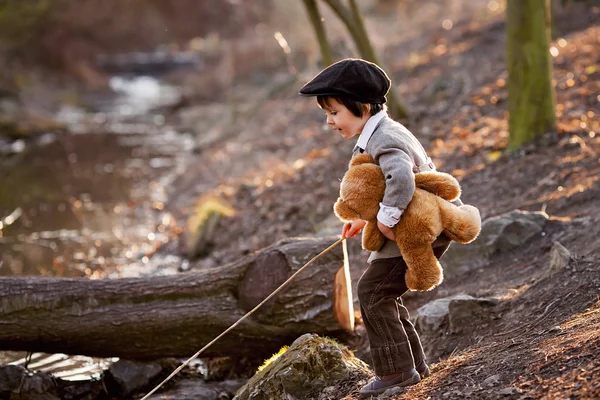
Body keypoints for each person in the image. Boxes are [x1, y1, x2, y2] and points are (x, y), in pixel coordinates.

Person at [299, 58, 456, 398]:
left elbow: (400, 177)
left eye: (335, 112)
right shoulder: (383, 131)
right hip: (414, 222)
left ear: (363, 107)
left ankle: (396, 372)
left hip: (418, 227)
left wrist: (384, 218)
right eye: (327, 113)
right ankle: (413, 365)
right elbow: (385, 182)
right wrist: (363, 217)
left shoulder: (383, 138)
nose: (329, 121)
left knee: (372, 292)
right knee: (384, 292)